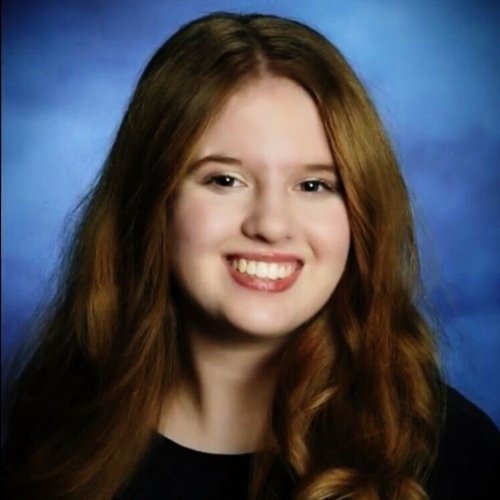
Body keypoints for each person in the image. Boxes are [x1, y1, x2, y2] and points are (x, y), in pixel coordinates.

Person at [2, 11, 499, 500]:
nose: (271, 225)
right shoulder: (51, 431)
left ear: (360, 214)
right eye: (225, 180)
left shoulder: (454, 457)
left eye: (314, 185)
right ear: (154, 198)